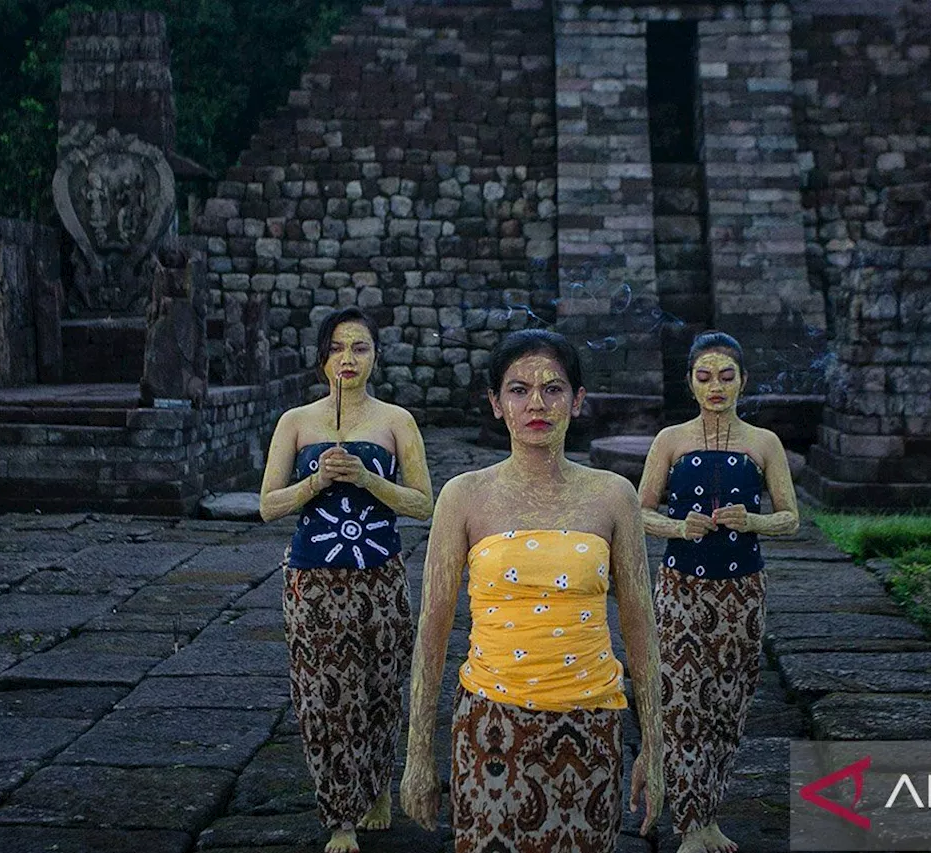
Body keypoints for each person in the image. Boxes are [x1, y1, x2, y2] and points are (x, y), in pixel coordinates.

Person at [400, 328, 663, 852]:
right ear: (496, 404)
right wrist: (418, 754)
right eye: (518, 390)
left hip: (592, 723)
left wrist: (654, 748)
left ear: (578, 400)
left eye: (554, 388)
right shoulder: (464, 497)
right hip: (491, 727)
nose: (536, 403)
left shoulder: (612, 496)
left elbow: (640, 623)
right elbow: (432, 628)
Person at [259, 306, 434, 853]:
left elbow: (423, 502)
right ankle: (341, 816)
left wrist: (366, 479)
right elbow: (267, 505)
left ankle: (377, 785)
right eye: (337, 348)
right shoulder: (296, 422)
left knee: (380, 688)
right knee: (324, 696)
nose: (348, 359)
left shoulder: (395, 421)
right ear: (322, 359)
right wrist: (314, 483)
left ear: (375, 357)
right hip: (313, 579)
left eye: (359, 348)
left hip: (379, 575)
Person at [638, 331, 800, 853]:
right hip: (680, 589)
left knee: (729, 706)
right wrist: (678, 527)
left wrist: (753, 520)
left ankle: (711, 813)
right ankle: (688, 824)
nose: (716, 387)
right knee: (682, 702)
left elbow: (791, 518)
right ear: (690, 383)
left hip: (742, 591)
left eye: (726, 377)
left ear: (742, 383)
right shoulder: (670, 440)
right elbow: (638, 511)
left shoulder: (763, 443)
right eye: (705, 377)